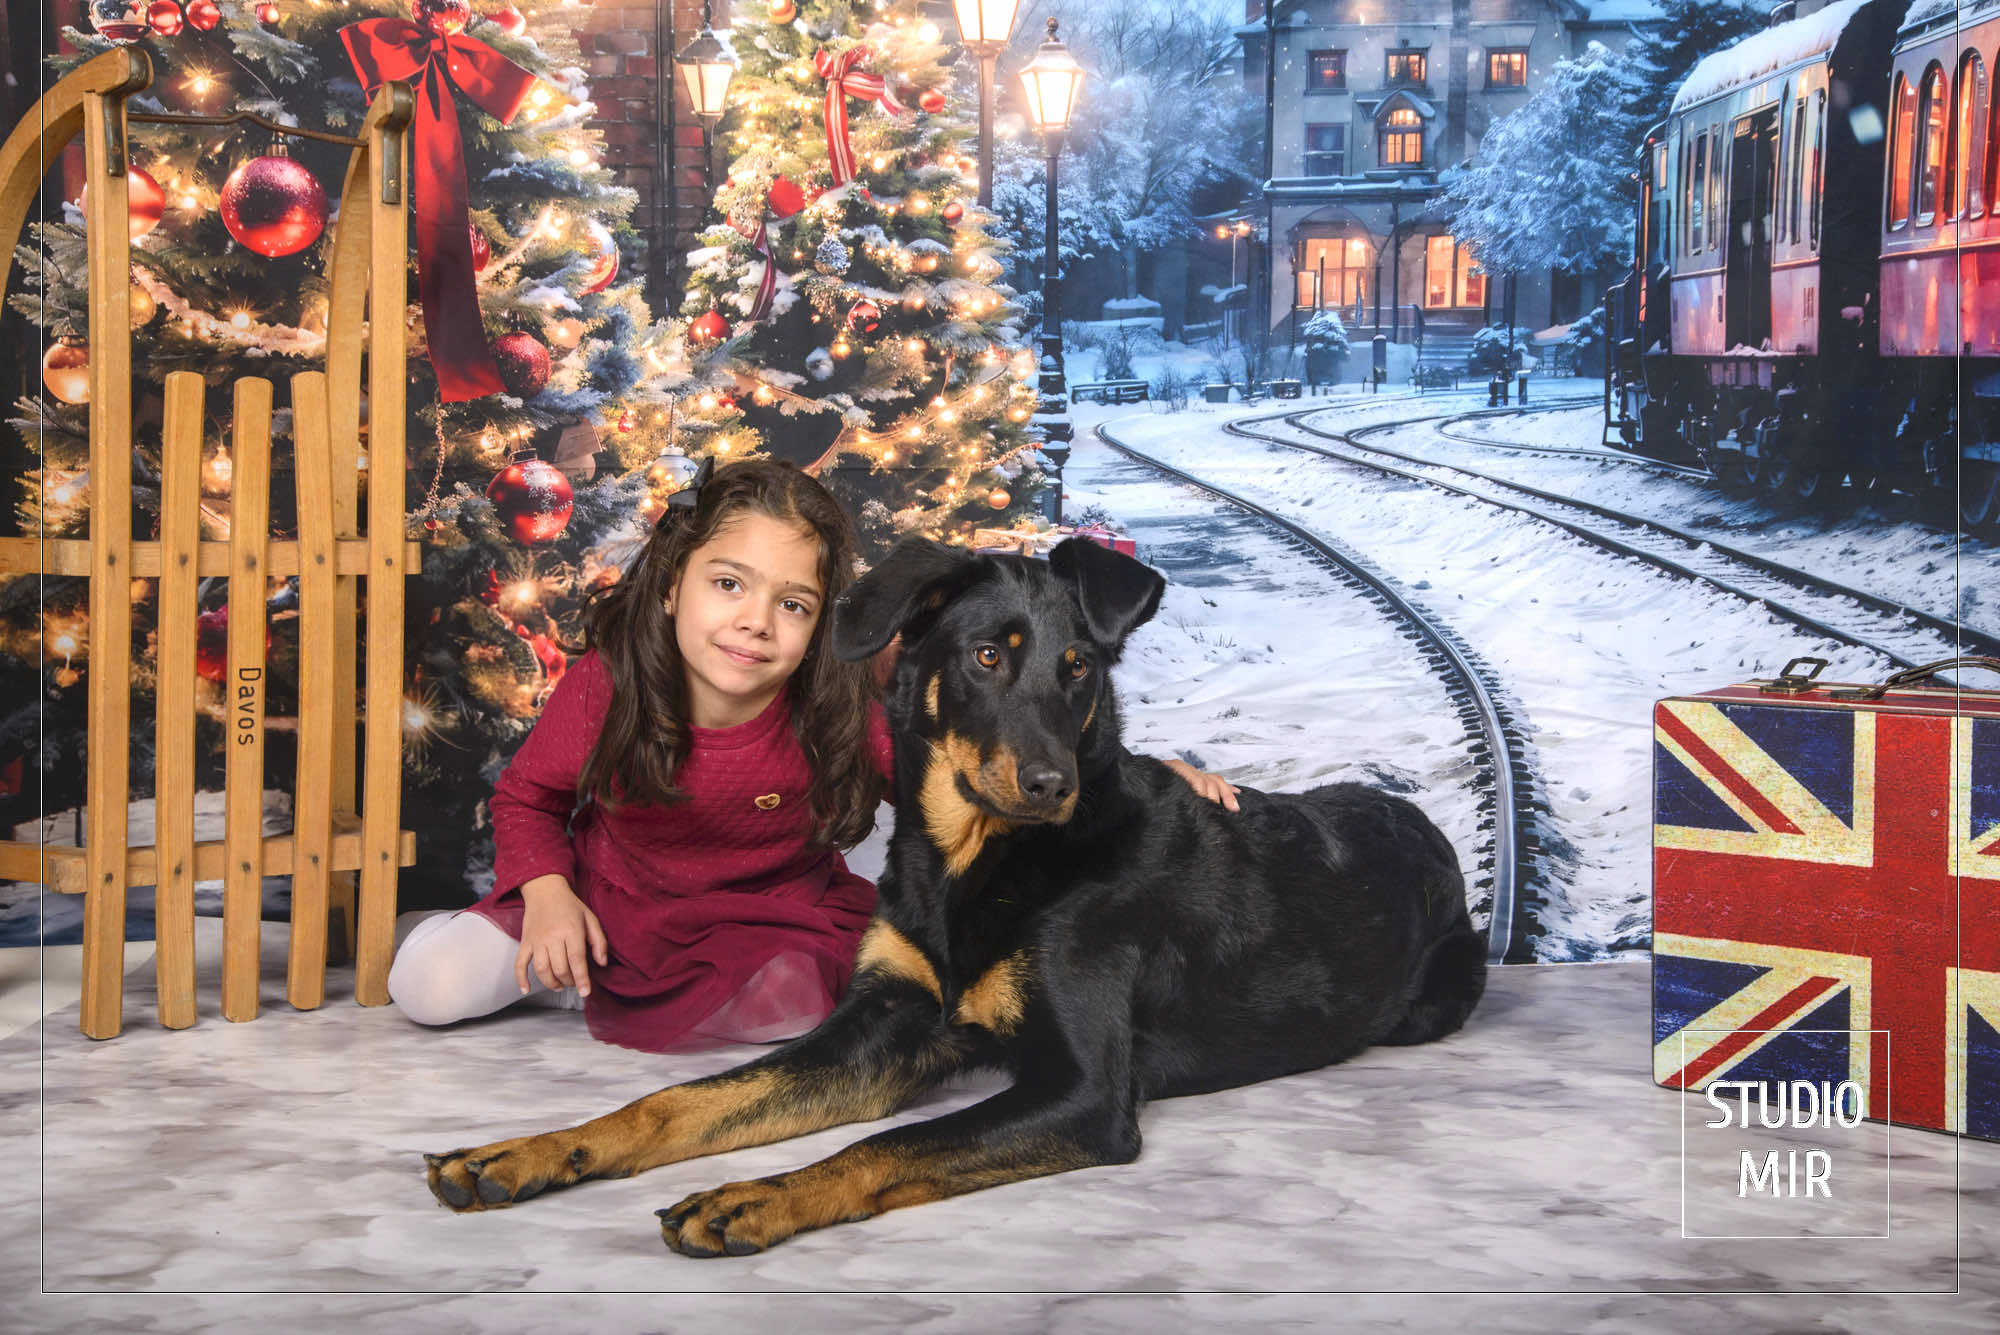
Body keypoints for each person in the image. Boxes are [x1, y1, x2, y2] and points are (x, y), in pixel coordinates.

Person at [387, 457, 1241, 1052]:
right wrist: (544, 894)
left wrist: (1138, 778)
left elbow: (974, 773)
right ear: (676, 577)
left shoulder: (835, 711)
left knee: (803, 1009)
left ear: (824, 618)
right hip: (607, 899)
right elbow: (527, 799)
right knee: (427, 986)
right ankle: (565, 961)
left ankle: (614, 985)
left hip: (763, 921)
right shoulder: (609, 688)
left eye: (792, 603)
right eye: (729, 584)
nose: (756, 620)